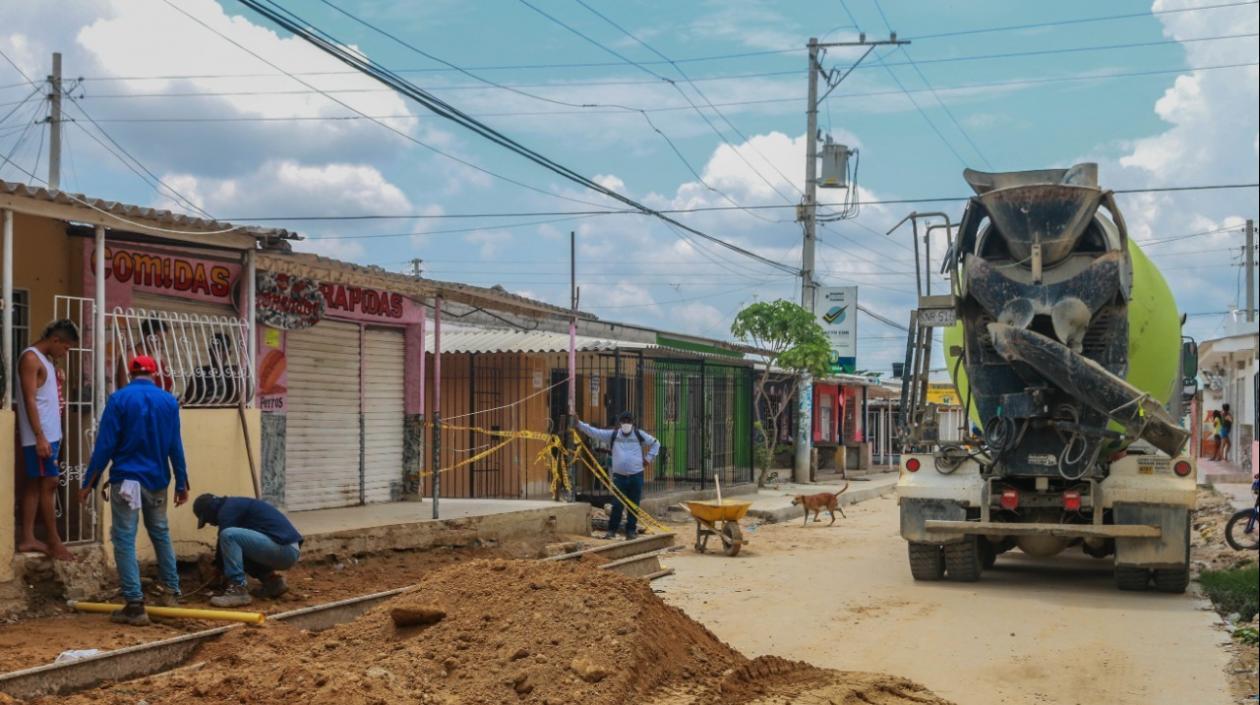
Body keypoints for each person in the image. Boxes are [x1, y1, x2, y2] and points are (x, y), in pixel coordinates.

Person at [80, 354, 189, 626]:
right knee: (160, 533)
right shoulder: (168, 401)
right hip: (158, 481)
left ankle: (134, 604)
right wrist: (182, 482)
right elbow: (175, 445)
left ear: (130, 373)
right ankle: (173, 592)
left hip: (127, 481)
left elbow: (104, 446)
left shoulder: (119, 400)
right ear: (154, 374)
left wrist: (88, 483)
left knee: (124, 540)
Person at [16, 319, 79, 561]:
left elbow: (44, 395)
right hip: (40, 437)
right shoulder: (31, 358)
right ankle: (54, 542)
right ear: (55, 340)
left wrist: (56, 376)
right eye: (66, 348)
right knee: (49, 483)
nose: (66, 353)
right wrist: (40, 437)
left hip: (48, 435)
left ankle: (29, 537)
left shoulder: (46, 361)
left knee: (35, 484)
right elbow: (30, 399)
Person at [192, 494, 302, 607]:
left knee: (228, 535)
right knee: (238, 550)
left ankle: (238, 590)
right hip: (287, 550)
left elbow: (222, 543)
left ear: (211, 510)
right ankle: (273, 582)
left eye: (207, 519)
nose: (211, 523)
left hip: (284, 549)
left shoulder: (227, 510)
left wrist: (218, 568)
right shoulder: (234, 505)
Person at [577, 411, 660, 540]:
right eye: (624, 421)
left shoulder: (639, 435)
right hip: (619, 477)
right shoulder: (614, 435)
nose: (626, 423)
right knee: (617, 505)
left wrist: (648, 459)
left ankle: (631, 531)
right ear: (620, 423)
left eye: (629, 421)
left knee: (633, 504)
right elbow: (594, 432)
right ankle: (611, 531)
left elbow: (656, 443)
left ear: (633, 423)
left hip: (636, 475)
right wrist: (579, 424)